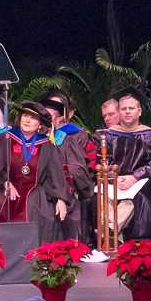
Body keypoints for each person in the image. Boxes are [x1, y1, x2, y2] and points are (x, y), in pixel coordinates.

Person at [0, 101, 71, 240]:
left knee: (38, 209)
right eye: (25, 115)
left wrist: (61, 198)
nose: (27, 120)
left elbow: (56, 174)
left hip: (34, 192)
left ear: (40, 124)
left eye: (33, 117)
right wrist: (5, 182)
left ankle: (34, 258)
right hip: (7, 190)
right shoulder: (5, 138)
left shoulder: (46, 144)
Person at [96, 88, 151, 240]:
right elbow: (102, 160)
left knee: (131, 198)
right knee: (101, 194)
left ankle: (108, 231)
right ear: (119, 112)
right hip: (114, 180)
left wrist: (134, 177)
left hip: (141, 181)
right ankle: (112, 236)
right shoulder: (109, 134)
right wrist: (115, 178)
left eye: (131, 108)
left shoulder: (149, 135)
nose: (127, 112)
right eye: (123, 109)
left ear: (139, 111)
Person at [39, 92, 94, 243]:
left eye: (50, 116)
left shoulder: (71, 138)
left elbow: (79, 170)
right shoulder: (36, 138)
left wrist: (63, 187)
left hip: (66, 189)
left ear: (60, 117)